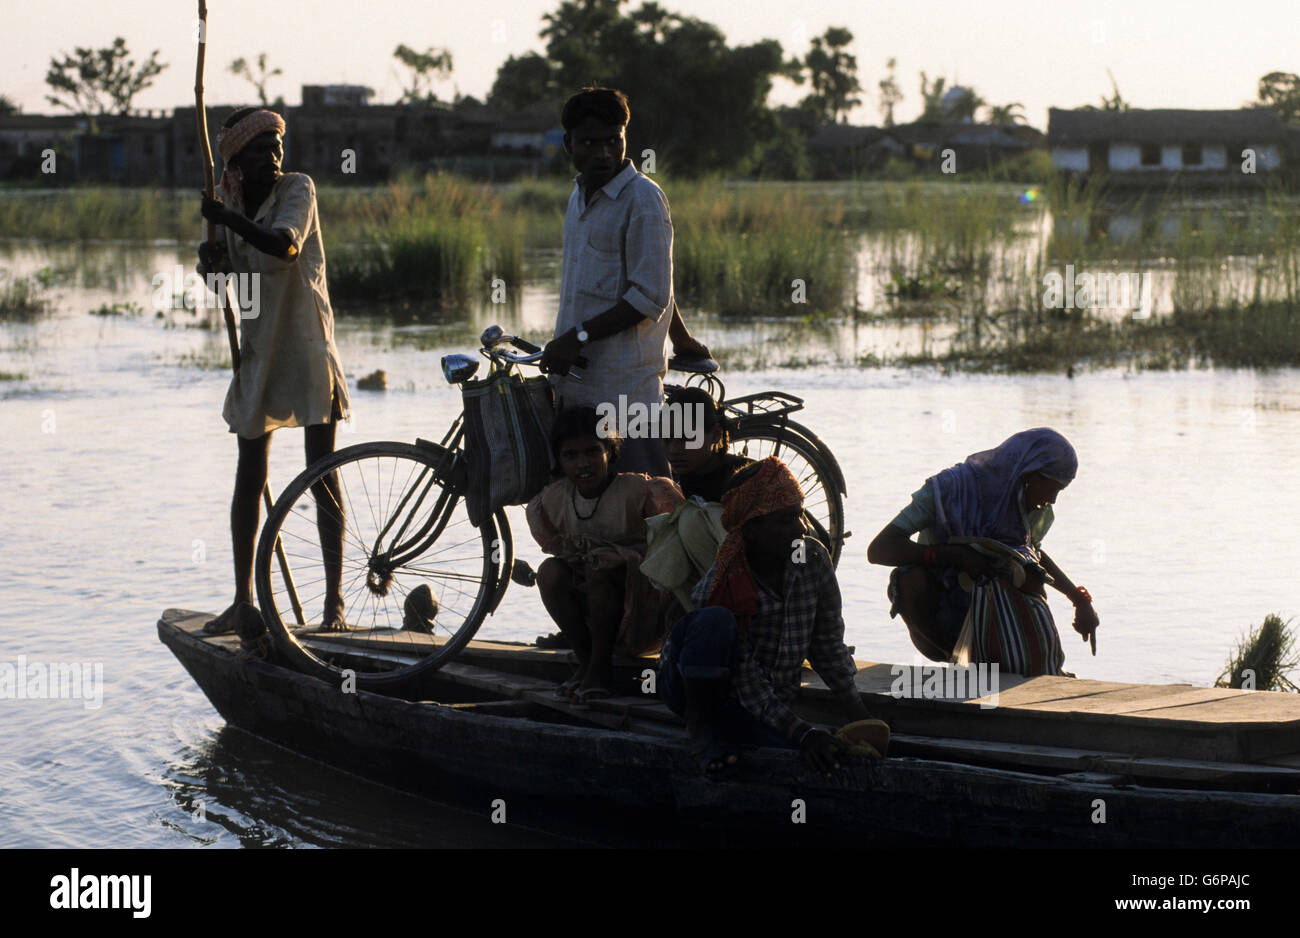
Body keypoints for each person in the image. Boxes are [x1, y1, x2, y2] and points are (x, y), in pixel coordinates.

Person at [197, 106, 351, 634]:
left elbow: (286, 246)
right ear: (236, 158)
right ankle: (243, 600)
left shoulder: (297, 189)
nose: (273, 156)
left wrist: (227, 223)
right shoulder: (230, 203)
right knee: (249, 474)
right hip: (262, 352)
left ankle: (334, 607)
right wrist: (212, 265)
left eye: (276, 146)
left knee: (321, 475)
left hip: (306, 347)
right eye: (260, 149)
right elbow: (231, 292)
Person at [656, 458, 872, 777]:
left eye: (799, 514)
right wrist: (805, 733)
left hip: (755, 703)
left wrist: (860, 717)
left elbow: (827, 646)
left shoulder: (812, 558)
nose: (800, 527)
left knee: (800, 755)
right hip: (703, 688)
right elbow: (746, 683)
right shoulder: (723, 584)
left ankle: (723, 729)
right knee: (714, 621)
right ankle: (700, 728)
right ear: (753, 530)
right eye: (785, 520)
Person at [538, 86, 710, 477]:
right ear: (568, 144)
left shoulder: (642, 199)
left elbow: (649, 296)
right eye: (589, 143)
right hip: (577, 384)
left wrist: (575, 337)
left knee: (643, 513)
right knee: (583, 510)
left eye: (613, 141)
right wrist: (681, 339)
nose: (603, 154)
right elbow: (653, 281)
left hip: (624, 392)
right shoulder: (577, 198)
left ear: (625, 139)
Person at [866, 427, 1100, 676]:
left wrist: (1079, 599)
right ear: (1030, 474)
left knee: (1030, 576)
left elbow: (1034, 554)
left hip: (995, 616)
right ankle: (962, 665)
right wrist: (953, 555)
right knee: (910, 579)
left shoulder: (1029, 504)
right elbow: (880, 549)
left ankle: (1012, 663)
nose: (1052, 500)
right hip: (944, 612)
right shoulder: (948, 489)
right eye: (1053, 489)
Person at [527, 407, 683, 702]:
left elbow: (672, 548)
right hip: (594, 614)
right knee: (549, 572)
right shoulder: (554, 500)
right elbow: (564, 556)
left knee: (600, 570)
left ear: (609, 451)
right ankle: (588, 662)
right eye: (570, 456)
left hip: (644, 606)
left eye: (591, 452)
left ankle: (598, 670)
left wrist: (625, 559)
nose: (582, 464)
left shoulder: (641, 490)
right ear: (559, 461)